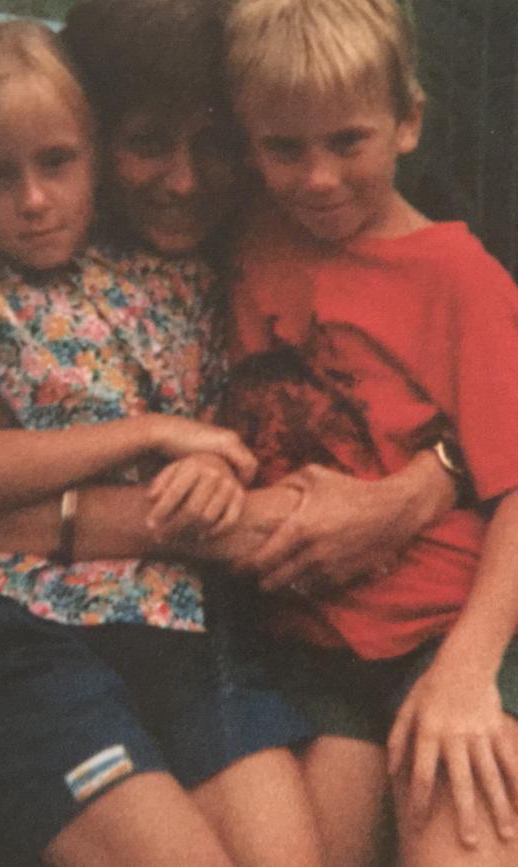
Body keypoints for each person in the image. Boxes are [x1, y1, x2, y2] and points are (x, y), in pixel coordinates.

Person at [0, 3, 459, 866]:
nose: (186, 181)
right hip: (46, 634)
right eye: (147, 142)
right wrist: (159, 469)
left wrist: (410, 481)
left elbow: (262, 429)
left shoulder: (245, 243)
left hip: (210, 638)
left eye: (216, 142)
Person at [224, 0, 518, 864]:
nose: (317, 178)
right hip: (311, 653)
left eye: (348, 142)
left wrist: (468, 668)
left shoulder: (458, 277)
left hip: (449, 627)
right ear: (248, 142)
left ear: (409, 123)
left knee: (461, 830)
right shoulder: (244, 243)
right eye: (285, 148)